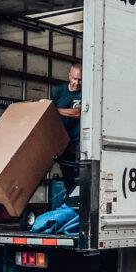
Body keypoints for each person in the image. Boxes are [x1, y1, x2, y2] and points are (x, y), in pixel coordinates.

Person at [51, 62, 83, 192]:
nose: (76, 83)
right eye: (74, 78)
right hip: (62, 141)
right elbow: (49, 115)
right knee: (66, 174)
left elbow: (78, 113)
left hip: (77, 141)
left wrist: (54, 109)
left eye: (80, 80)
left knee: (78, 173)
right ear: (69, 76)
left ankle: (78, 202)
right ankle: (70, 199)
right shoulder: (58, 91)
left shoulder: (85, 93)